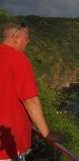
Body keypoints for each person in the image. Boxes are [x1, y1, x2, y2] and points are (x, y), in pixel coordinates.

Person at [0, 22, 62, 160]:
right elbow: (30, 100)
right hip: (8, 147)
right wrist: (46, 133)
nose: (29, 41)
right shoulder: (19, 59)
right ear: (15, 37)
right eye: (26, 37)